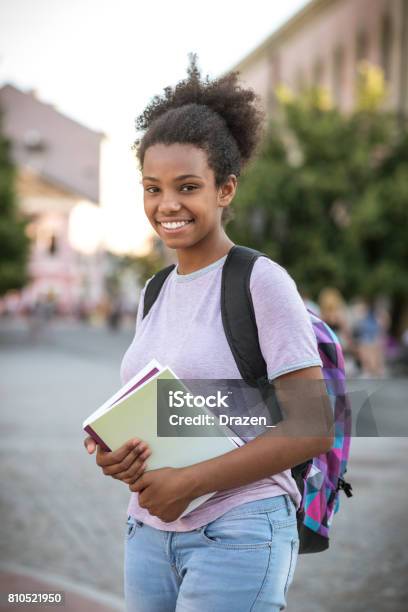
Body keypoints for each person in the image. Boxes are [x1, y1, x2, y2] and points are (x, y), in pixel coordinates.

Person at [84, 58, 332, 611]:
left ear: (225, 189)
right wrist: (118, 454)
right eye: (152, 188)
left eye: (187, 186)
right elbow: (169, 410)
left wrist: (191, 482)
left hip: (239, 532)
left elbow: (313, 425)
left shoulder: (260, 281)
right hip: (147, 533)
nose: (166, 205)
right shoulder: (155, 289)